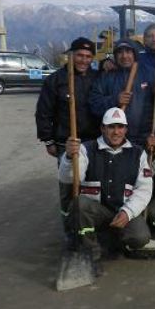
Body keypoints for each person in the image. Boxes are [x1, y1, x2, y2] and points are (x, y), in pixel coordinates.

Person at [60, 107, 155, 272]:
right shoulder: (85, 149)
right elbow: (69, 178)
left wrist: (128, 212)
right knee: (79, 204)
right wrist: (68, 157)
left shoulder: (138, 153)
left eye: (120, 127)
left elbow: (144, 189)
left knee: (141, 237)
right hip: (96, 212)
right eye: (111, 127)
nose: (116, 132)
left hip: (122, 212)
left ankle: (114, 242)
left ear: (126, 129)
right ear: (102, 128)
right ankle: (91, 255)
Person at [35, 37, 101, 236]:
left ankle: (89, 228)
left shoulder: (98, 78)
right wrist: (48, 139)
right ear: (70, 55)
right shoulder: (55, 80)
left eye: (88, 56)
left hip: (93, 142)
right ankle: (70, 231)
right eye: (80, 55)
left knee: (91, 186)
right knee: (68, 187)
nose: (83, 60)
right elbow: (43, 112)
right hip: (67, 143)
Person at [89, 39, 155, 156]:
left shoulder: (150, 74)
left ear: (135, 54)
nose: (124, 56)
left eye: (128, 52)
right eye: (120, 52)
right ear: (115, 56)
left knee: (144, 174)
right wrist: (115, 100)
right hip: (115, 141)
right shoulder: (106, 77)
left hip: (146, 142)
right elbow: (94, 105)